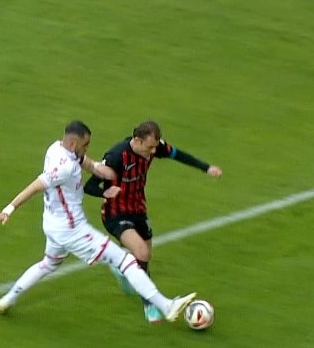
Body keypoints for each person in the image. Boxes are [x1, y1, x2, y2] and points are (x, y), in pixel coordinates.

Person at [0, 120, 197, 322]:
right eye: (85, 145)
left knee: (48, 263)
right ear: (73, 143)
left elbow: (89, 164)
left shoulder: (57, 148)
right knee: (126, 261)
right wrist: (7, 210)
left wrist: (107, 172)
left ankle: (7, 299)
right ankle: (167, 306)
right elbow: (36, 186)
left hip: (52, 225)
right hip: (73, 229)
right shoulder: (64, 167)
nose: (87, 148)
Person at [84, 120, 222, 322]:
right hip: (115, 214)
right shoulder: (116, 156)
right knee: (141, 251)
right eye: (150, 147)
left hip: (139, 209)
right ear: (137, 141)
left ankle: (122, 267)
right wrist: (104, 192)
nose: (153, 152)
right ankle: (149, 304)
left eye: (155, 147)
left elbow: (178, 154)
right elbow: (89, 186)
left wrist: (206, 168)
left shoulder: (154, 148)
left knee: (145, 255)